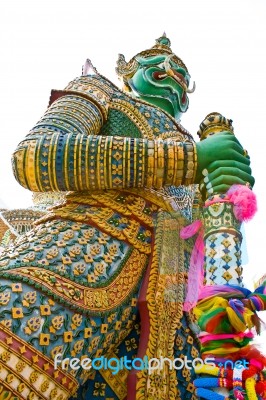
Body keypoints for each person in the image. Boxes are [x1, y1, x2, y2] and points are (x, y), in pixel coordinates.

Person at [0, 35, 253, 400]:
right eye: (158, 65)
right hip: (71, 257)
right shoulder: (101, 91)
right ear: (127, 72)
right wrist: (189, 159)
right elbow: (35, 156)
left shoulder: (200, 154)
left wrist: (225, 201)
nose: (173, 73)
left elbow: (207, 247)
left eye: (182, 72)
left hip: (173, 309)